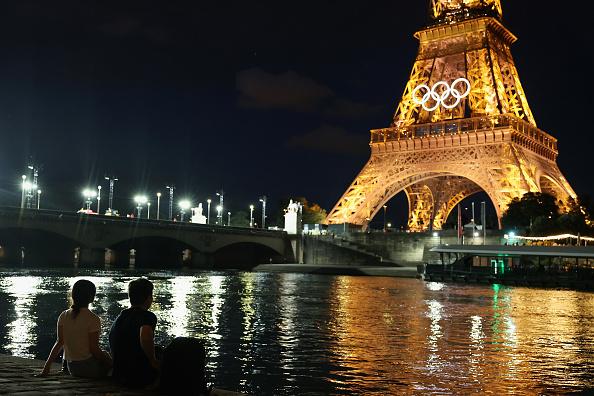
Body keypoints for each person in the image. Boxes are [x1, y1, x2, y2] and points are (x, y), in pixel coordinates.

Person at [39, 279, 112, 378]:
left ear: (73, 295)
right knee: (106, 356)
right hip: (89, 369)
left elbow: (59, 342)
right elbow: (94, 349)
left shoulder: (63, 315)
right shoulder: (93, 318)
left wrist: (46, 368)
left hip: (72, 368)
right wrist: (110, 362)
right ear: (91, 298)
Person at [109, 277, 160, 388]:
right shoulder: (148, 316)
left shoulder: (121, 316)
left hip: (118, 375)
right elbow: (145, 337)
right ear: (148, 298)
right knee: (162, 354)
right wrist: (153, 360)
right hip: (137, 377)